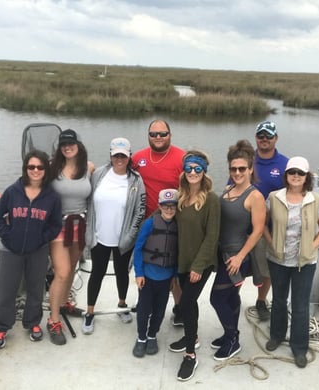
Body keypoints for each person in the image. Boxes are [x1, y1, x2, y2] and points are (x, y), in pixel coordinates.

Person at [0, 150, 62, 349]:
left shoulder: (52, 197)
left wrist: (42, 239)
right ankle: (2, 326)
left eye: (40, 167)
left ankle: (32, 323)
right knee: (7, 290)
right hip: (10, 250)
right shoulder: (12, 191)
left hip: (37, 250)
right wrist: (8, 235)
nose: (36, 170)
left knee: (35, 289)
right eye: (31, 167)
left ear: (45, 170)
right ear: (25, 169)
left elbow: (56, 225)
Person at [264, 156, 319, 368]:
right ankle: (276, 335)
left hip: (305, 262)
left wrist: (313, 245)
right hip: (278, 259)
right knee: (279, 299)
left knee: (300, 305)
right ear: (286, 175)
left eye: (300, 173)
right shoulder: (274, 197)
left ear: (306, 177)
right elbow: (262, 224)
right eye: (292, 172)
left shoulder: (315, 200)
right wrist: (270, 242)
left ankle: (299, 347)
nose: (296, 176)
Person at [83, 137, 146, 334]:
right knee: (97, 273)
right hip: (99, 237)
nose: (119, 159)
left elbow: (140, 210)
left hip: (123, 239)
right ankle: (90, 312)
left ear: (129, 157)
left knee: (122, 273)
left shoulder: (136, 180)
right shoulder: (98, 174)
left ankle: (121, 304)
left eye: (123, 156)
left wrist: (131, 235)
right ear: (110, 155)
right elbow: (84, 193)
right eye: (116, 155)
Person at [210, 140, 266, 360]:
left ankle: (232, 339)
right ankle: (230, 335)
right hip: (221, 253)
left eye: (242, 168)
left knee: (217, 298)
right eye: (233, 169)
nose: (237, 172)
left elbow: (257, 231)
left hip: (236, 257)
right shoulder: (227, 190)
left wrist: (240, 256)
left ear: (251, 168)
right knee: (231, 297)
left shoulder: (255, 197)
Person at [168, 150, 220, 382]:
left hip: (201, 263)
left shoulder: (211, 200)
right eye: (188, 168)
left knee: (187, 302)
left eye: (197, 168)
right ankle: (194, 336)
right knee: (187, 304)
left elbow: (212, 237)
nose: (192, 172)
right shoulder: (180, 197)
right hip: (182, 261)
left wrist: (198, 266)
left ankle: (191, 354)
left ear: (204, 172)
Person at [132, 119, 185, 326]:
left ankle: (179, 307)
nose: (158, 138)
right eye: (154, 134)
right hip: (147, 223)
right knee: (145, 265)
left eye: (162, 134)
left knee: (173, 269)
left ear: (170, 135)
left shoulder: (181, 158)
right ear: (148, 136)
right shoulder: (138, 158)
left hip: (174, 223)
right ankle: (144, 301)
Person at [48, 129, 95, 345]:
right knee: (62, 271)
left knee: (73, 267)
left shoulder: (89, 168)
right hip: (58, 226)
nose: (67, 147)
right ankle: (53, 319)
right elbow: (31, 183)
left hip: (80, 225)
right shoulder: (51, 168)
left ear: (78, 145)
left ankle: (65, 301)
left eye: (71, 143)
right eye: (63, 144)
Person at [132, 189, 179, 358]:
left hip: (165, 278)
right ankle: (142, 337)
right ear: (159, 206)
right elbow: (138, 249)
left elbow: (177, 253)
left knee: (160, 310)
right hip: (148, 277)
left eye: (172, 206)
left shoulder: (177, 226)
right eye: (165, 206)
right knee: (144, 309)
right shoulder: (149, 224)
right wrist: (139, 273)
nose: (169, 209)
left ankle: (152, 335)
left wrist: (174, 275)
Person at [252, 120, 288, 321]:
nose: (264, 139)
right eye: (261, 135)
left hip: (270, 228)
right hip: (244, 225)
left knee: (267, 268)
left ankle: (261, 300)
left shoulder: (284, 164)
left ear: (276, 138)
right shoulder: (247, 160)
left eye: (269, 136)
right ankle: (232, 298)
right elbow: (231, 187)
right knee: (236, 265)